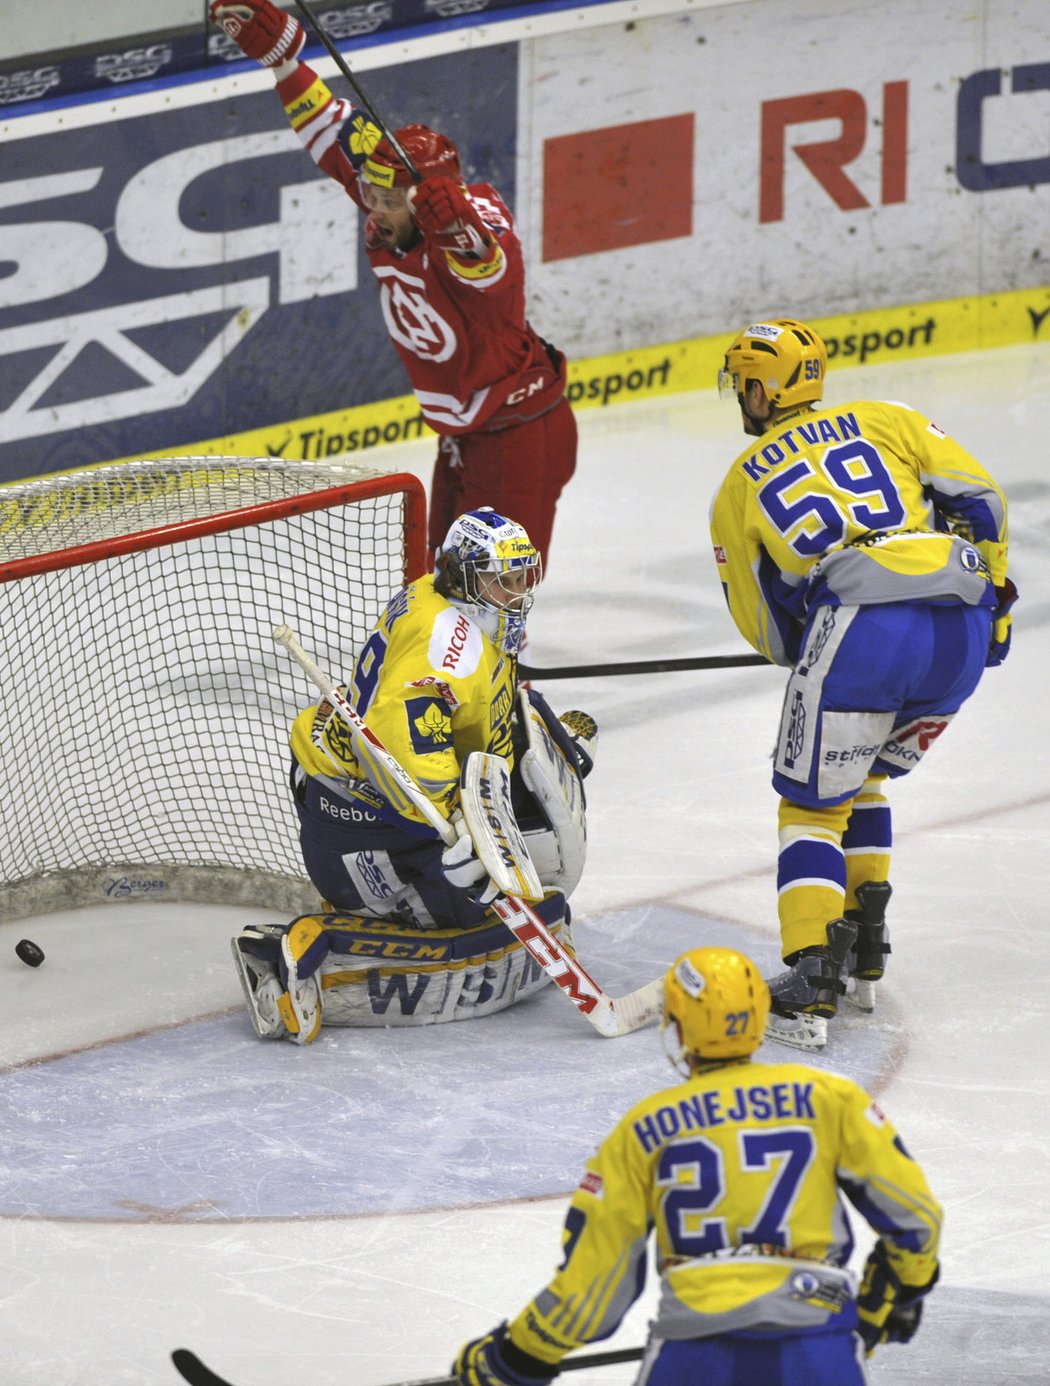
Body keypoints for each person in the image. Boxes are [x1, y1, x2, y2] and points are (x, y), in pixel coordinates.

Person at [709, 319, 1015, 1050]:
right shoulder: (889, 418)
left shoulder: (739, 484)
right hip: (962, 621)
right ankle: (865, 952)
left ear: (761, 388)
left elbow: (764, 625)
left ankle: (811, 984)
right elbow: (984, 502)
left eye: (742, 382)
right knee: (867, 778)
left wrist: (817, 650)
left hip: (862, 632)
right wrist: (995, 604)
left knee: (812, 808)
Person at [451, 946, 942, 1385]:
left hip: (693, 1357)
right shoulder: (830, 1098)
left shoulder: (642, 1130)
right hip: (815, 1349)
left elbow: (594, 1291)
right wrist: (894, 1292)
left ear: (678, 1025)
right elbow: (917, 1220)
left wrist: (517, 1357)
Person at [209, 0, 577, 569]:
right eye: (371, 196)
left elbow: (494, 270)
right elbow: (333, 130)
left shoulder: (470, 219)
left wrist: (457, 229)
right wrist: (283, 64)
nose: (372, 210)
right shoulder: (392, 193)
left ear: (419, 199)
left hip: (518, 433)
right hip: (469, 429)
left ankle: (499, 656)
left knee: (494, 583)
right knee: (440, 568)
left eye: (385, 201)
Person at [231, 507, 597, 1041]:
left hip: (374, 796)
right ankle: (298, 953)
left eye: (522, 579)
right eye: (503, 581)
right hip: (364, 823)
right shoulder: (446, 646)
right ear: (463, 576)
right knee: (473, 920)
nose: (518, 593)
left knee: (515, 872)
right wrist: (456, 819)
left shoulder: (449, 600)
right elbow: (408, 753)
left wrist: (529, 740)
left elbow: (471, 703)